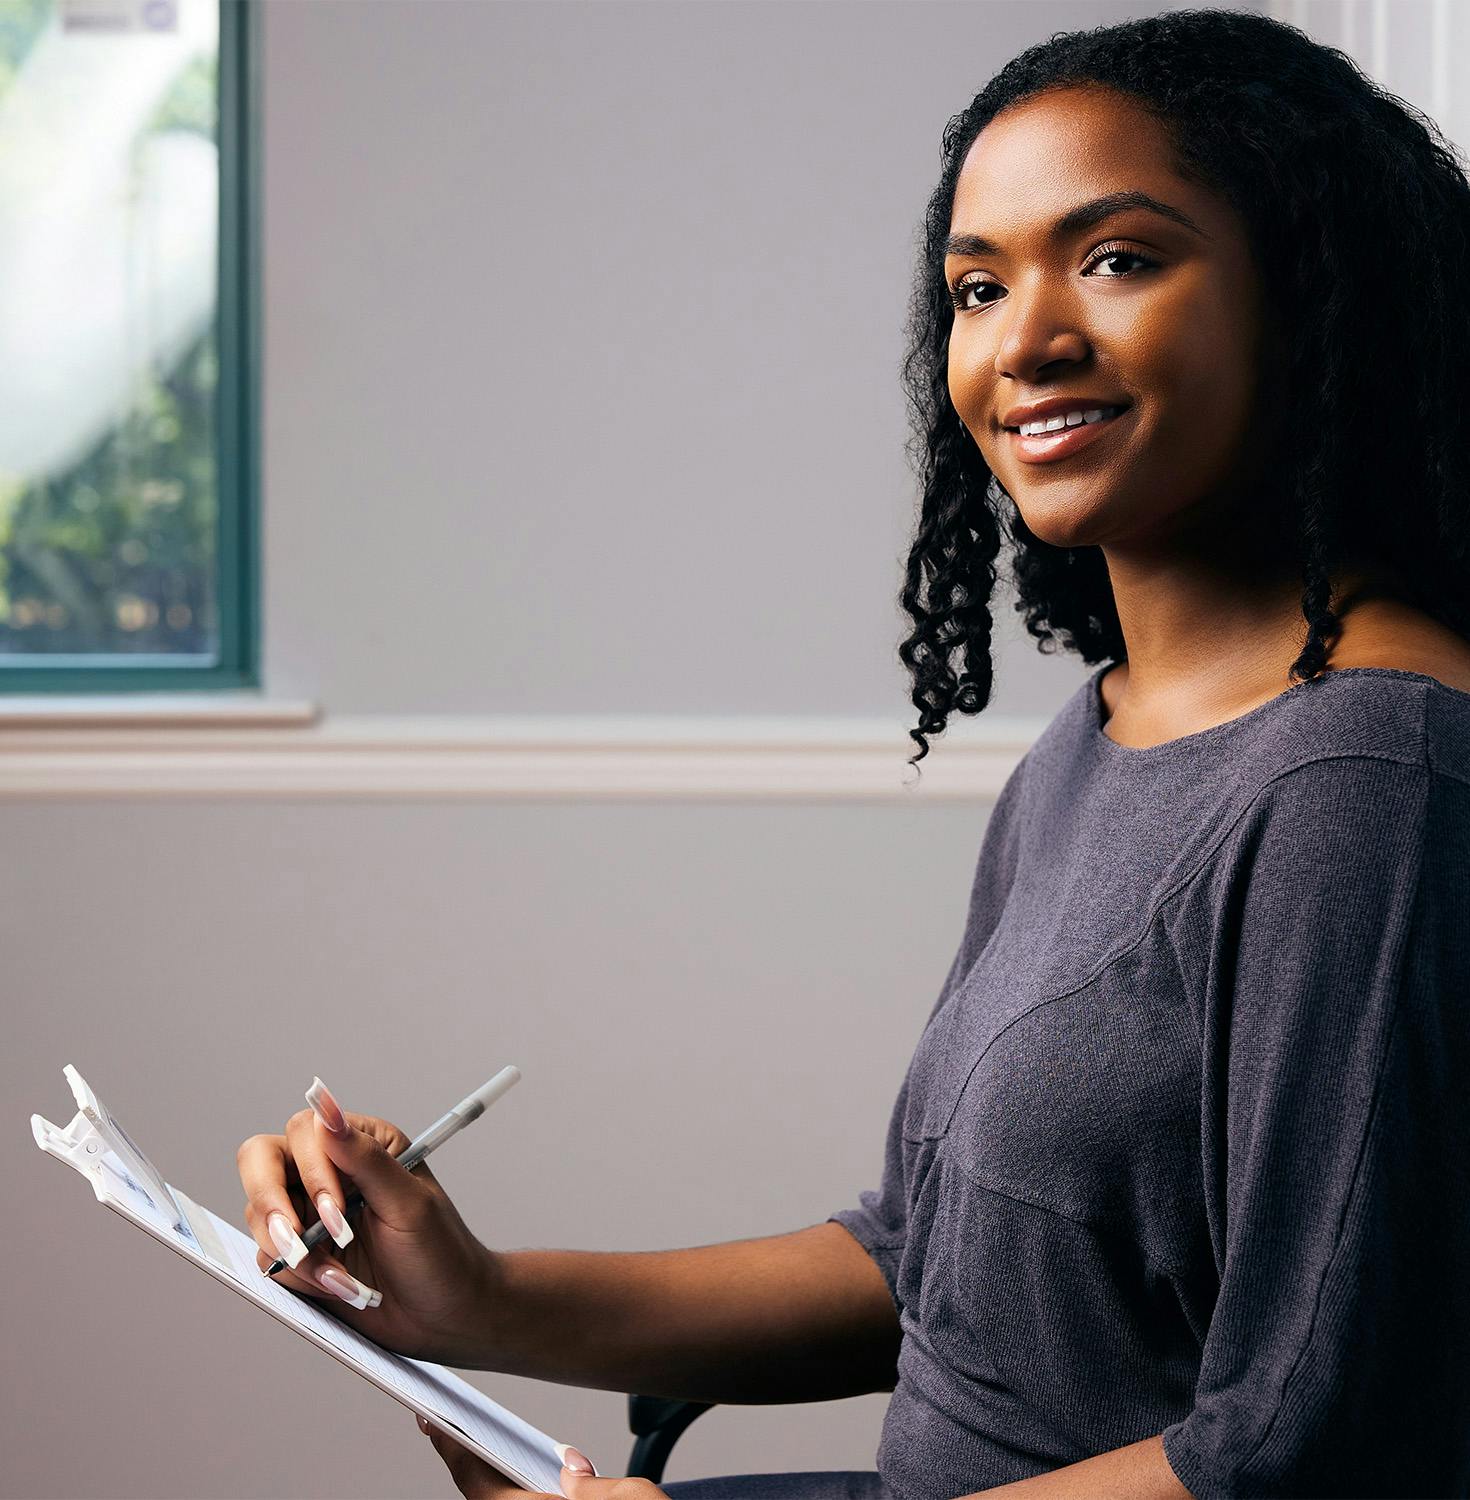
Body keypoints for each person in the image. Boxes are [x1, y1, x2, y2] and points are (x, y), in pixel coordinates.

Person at [235, 8, 1470, 1497]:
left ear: (1308, 294)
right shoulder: (1100, 741)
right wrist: (473, 1297)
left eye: (1118, 257)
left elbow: (1303, 1446)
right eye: (974, 285)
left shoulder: (1361, 781)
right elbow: (918, 1260)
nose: (1024, 341)